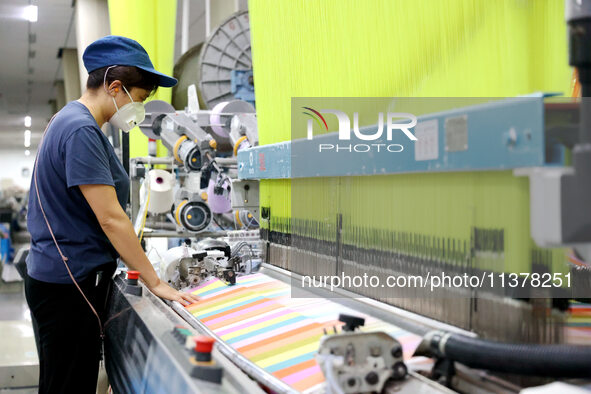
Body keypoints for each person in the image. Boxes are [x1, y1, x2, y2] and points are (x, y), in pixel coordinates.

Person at [24, 35, 199, 393]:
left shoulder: (70, 120)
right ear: (115, 86)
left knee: (61, 382)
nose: (140, 109)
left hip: (59, 277)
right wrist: (155, 281)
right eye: (140, 99)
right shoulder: (80, 130)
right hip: (69, 285)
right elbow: (111, 218)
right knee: (69, 386)